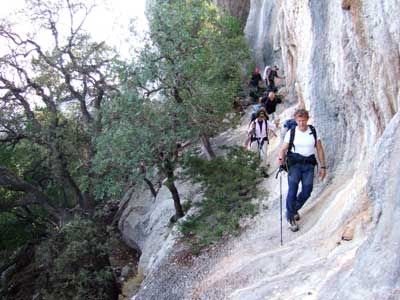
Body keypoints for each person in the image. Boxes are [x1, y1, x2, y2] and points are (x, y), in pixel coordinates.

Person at [277, 108, 327, 232]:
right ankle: (290, 218)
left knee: (307, 191)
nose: (301, 123)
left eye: (303, 120)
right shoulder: (292, 132)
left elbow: (319, 149)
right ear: (296, 120)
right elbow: (283, 149)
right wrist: (280, 159)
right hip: (295, 165)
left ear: (307, 119)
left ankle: (293, 209)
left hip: (309, 165)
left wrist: (323, 166)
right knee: (292, 190)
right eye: (299, 121)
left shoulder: (314, 131)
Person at [247, 108, 277, 175]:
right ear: (258, 115)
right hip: (255, 140)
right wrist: (252, 129)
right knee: (254, 155)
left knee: (263, 155)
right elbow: (249, 132)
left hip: (264, 140)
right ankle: (253, 171)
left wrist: (276, 123)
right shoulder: (253, 123)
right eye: (260, 115)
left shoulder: (266, 122)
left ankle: (262, 171)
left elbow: (274, 127)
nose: (261, 117)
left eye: (263, 115)